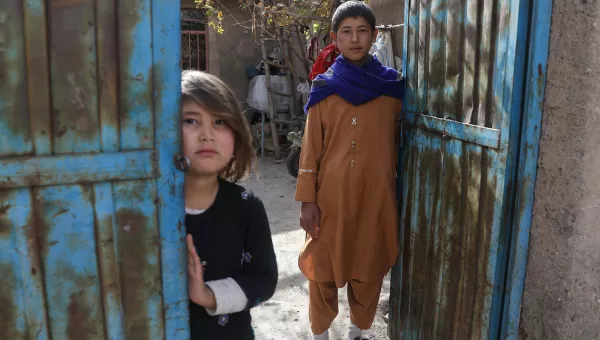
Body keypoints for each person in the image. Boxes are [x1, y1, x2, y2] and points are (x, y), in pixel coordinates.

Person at [294, 2, 405, 340]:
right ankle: (321, 334)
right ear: (335, 37)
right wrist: (306, 200)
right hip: (331, 198)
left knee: (369, 266)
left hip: (377, 196)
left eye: (362, 31)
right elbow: (311, 149)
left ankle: (357, 332)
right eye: (347, 31)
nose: (355, 38)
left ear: (373, 35)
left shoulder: (394, 89)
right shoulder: (324, 87)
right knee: (322, 268)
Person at [182, 70, 278, 340]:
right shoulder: (145, 209)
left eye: (220, 122)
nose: (207, 135)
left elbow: (264, 280)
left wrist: (208, 295)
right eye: (191, 120)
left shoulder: (247, 208)